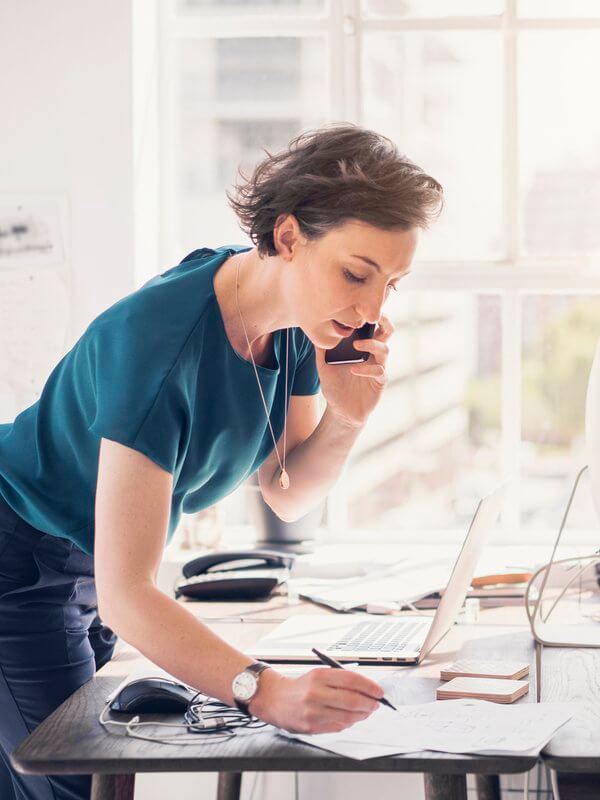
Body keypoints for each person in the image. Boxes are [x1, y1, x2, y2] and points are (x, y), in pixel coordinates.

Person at [0, 123, 443, 800]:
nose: (372, 309)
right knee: (71, 783)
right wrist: (264, 692)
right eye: (356, 273)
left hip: (86, 562)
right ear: (289, 238)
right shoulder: (157, 346)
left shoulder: (294, 324)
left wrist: (348, 415)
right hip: (20, 557)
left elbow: (287, 491)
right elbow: (129, 595)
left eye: (392, 283)